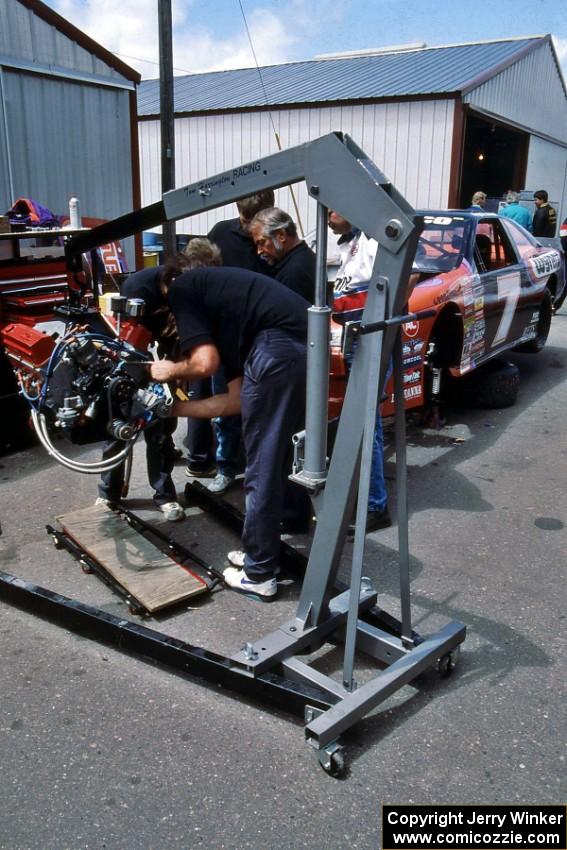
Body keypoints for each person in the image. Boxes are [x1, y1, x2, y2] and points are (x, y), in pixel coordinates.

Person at [150, 238, 310, 600]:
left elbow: (204, 364)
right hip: (302, 350)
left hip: (279, 350)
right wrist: (174, 409)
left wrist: (166, 370)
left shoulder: (182, 286)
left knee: (262, 464)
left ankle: (260, 573)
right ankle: (275, 534)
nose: (176, 318)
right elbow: (234, 402)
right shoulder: (236, 314)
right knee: (280, 450)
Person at [185, 190, 275, 493]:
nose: (249, 227)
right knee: (225, 409)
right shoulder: (222, 233)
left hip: (259, 338)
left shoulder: (270, 239)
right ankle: (225, 467)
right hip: (225, 337)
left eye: (254, 221)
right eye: (245, 220)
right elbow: (195, 266)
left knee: (259, 409)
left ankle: (257, 470)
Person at [96, 266, 185, 521]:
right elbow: (127, 339)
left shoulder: (184, 295)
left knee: (158, 431)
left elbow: (177, 340)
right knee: (117, 429)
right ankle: (108, 494)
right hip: (127, 358)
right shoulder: (140, 288)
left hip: (160, 359)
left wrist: (175, 371)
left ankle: (165, 497)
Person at [328, 209, 391, 533]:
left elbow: (411, 272)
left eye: (332, 208)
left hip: (369, 338)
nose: (326, 215)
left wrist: (381, 323)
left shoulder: (373, 236)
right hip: (358, 337)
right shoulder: (349, 241)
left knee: (368, 425)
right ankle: (369, 499)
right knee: (363, 423)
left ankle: (375, 506)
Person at [249, 207, 316, 302]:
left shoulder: (292, 273)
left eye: (262, 242)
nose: (259, 251)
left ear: (281, 235)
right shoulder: (306, 257)